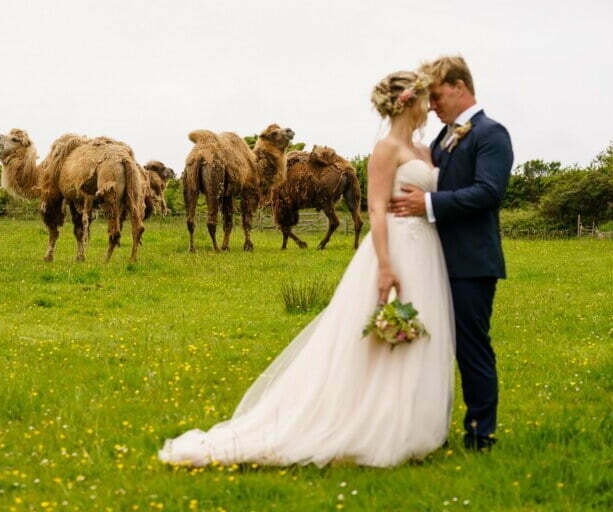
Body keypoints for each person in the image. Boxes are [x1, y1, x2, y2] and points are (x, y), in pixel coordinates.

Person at [158, 70, 455, 467]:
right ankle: (375, 422)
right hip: (397, 248)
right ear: (407, 103)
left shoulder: (427, 150)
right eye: (423, 99)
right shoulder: (386, 149)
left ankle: (414, 422)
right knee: (386, 334)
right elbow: (376, 209)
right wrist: (385, 265)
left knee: (422, 331)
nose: (429, 106)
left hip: (428, 251)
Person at [391, 55, 513, 450]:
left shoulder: (491, 134)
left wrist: (428, 204)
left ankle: (480, 434)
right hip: (432, 260)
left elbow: (488, 192)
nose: (431, 106)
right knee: (434, 346)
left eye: (438, 96)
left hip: (472, 262)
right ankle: (428, 429)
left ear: (460, 87)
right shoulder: (443, 138)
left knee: (471, 348)